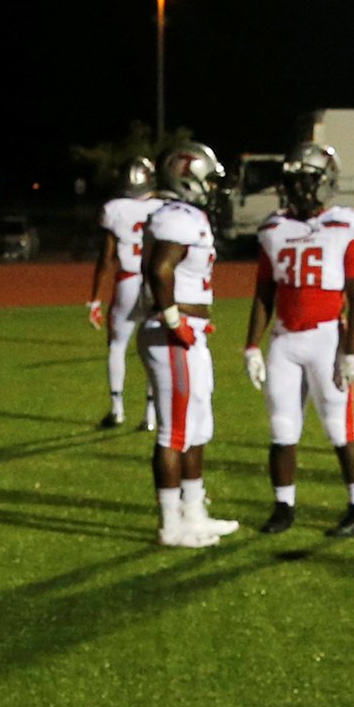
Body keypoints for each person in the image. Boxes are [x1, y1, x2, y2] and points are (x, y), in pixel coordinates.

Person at [239, 144, 354, 537]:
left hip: (327, 339)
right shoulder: (274, 229)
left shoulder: (346, 226)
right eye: (293, 183)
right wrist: (251, 345)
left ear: (326, 184)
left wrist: (352, 351)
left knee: (339, 429)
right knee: (282, 429)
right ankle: (283, 506)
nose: (298, 191)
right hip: (285, 340)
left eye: (307, 182)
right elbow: (264, 292)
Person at [139, 143, 237, 547]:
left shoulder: (187, 216)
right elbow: (159, 271)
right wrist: (174, 320)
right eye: (208, 179)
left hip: (190, 332)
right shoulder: (176, 217)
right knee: (174, 432)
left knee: (198, 427)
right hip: (174, 334)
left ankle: (194, 512)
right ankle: (171, 524)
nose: (213, 188)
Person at [89, 157, 156, 433]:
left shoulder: (114, 209)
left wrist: (94, 298)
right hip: (154, 282)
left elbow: (105, 258)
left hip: (127, 280)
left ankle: (117, 409)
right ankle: (150, 414)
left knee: (117, 345)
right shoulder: (162, 207)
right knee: (154, 346)